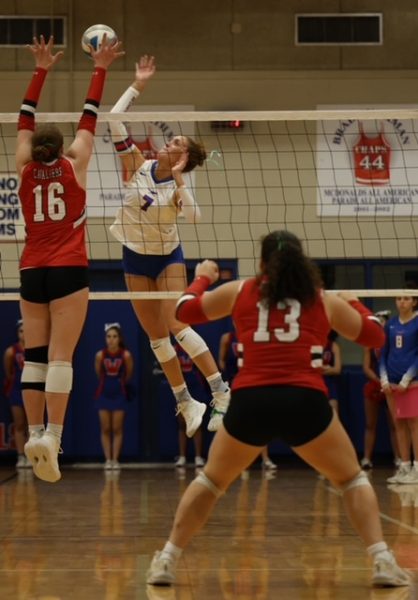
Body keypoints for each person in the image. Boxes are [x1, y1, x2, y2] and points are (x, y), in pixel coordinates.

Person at [146, 230, 411, 589]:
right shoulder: (321, 299)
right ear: (302, 264)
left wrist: (202, 278)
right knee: (351, 479)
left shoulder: (240, 291)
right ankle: (382, 560)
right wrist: (354, 302)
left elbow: (183, 311)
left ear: (261, 263)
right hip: (304, 401)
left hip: (251, 400)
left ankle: (167, 560)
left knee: (210, 481)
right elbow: (376, 337)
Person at [16, 34, 123, 483]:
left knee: (34, 358)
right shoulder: (75, 162)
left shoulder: (22, 165)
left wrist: (40, 70)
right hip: (67, 266)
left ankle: (37, 429)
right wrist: (100, 67)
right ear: (61, 149)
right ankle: (53, 438)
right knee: (62, 358)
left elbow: (23, 117)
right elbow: (90, 116)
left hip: (30, 269)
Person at [107, 55, 230, 437]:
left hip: (166, 259)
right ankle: (185, 401)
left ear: (183, 158)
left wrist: (179, 181)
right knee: (155, 336)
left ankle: (219, 390)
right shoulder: (137, 164)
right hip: (133, 256)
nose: (168, 141)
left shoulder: (178, 189)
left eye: (176, 142)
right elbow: (113, 119)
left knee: (178, 325)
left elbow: (193, 217)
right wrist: (138, 84)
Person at [219, 329, 277, 471]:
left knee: (260, 422)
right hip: (234, 383)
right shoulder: (227, 337)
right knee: (236, 423)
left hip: (253, 382)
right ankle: (238, 460)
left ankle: (265, 459)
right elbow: (221, 360)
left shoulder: (255, 336)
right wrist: (227, 378)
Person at [380, 287, 418, 485]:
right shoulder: (391, 324)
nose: (401, 302)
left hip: (412, 383)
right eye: (398, 298)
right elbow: (383, 354)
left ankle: (417, 469)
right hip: (392, 384)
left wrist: (407, 379)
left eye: (406, 298)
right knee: (398, 425)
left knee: (414, 424)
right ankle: (404, 467)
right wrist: (384, 379)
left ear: (414, 301)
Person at [361, 311, 399, 470]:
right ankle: (366, 459)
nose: (381, 325)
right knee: (370, 424)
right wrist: (378, 380)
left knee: (395, 425)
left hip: (391, 386)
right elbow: (366, 367)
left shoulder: (395, 342)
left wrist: (388, 382)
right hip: (375, 385)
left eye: (384, 322)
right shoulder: (369, 345)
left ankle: (399, 458)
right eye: (378, 323)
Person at [95, 323, 134, 470]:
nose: (111, 340)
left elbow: (129, 373)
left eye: (114, 336)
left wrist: (120, 383)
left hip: (119, 392)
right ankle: (108, 459)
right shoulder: (100, 355)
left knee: (117, 428)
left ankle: (115, 459)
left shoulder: (126, 355)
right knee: (105, 428)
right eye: (108, 336)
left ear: (120, 338)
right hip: (103, 392)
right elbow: (98, 373)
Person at [3, 319, 30, 468]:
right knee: (19, 424)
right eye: (21, 331)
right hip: (16, 390)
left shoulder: (37, 349)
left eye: (26, 330)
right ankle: (21, 456)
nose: (24, 334)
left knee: (32, 425)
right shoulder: (11, 351)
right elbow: (8, 371)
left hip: (32, 390)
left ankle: (31, 455)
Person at [322, 330, 342, 413]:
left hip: (330, 384)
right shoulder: (312, 345)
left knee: (333, 413)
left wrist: (320, 369)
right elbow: (310, 368)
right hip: (314, 383)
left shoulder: (333, 346)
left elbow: (337, 369)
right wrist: (327, 368)